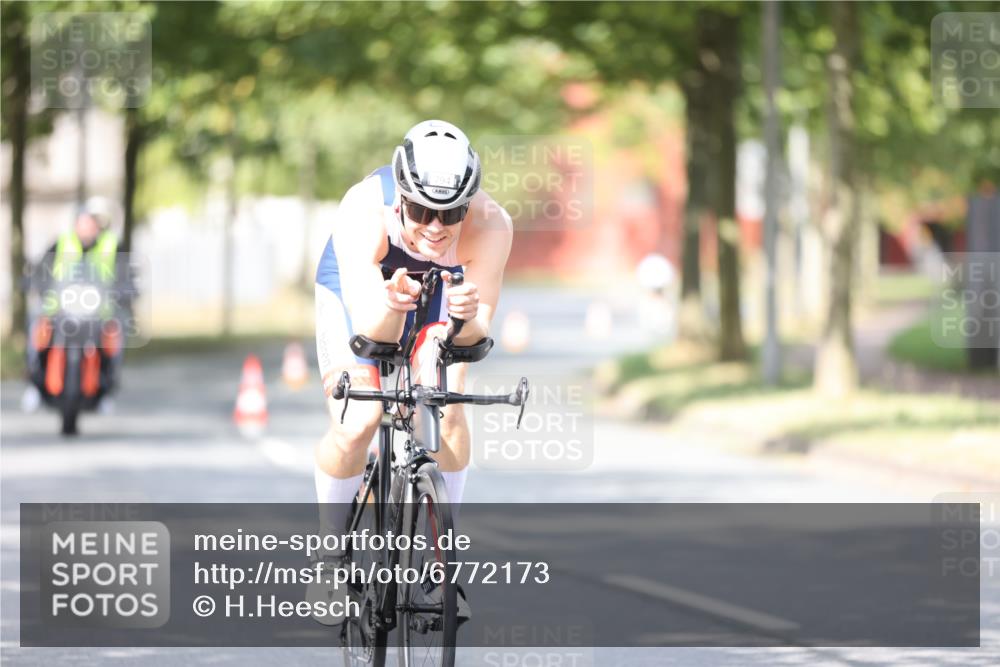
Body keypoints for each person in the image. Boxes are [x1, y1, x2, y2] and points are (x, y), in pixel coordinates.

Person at [308, 120, 513, 624]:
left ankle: (443, 569)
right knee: (356, 421)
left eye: (452, 213)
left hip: (442, 290)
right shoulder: (363, 210)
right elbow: (370, 334)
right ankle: (331, 557)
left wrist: (463, 319)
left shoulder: (492, 225)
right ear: (401, 197)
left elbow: (475, 338)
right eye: (422, 211)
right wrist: (394, 305)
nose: (436, 227)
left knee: (446, 411)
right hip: (362, 292)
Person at [23, 197, 124, 412]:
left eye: (91, 223)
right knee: (36, 326)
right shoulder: (62, 242)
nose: (87, 228)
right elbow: (41, 268)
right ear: (76, 223)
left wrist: (126, 289)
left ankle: (108, 386)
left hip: (98, 311)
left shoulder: (111, 245)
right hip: (59, 308)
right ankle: (33, 381)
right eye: (83, 223)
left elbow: (125, 273)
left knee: (116, 332)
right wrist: (34, 282)